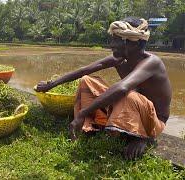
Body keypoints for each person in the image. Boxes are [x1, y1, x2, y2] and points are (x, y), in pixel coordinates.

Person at [35, 17, 171, 160]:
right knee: (87, 81)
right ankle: (95, 125)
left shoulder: (152, 62)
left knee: (125, 94)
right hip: (134, 106)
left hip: (153, 120)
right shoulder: (121, 58)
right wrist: (52, 84)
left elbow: (122, 88)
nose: (111, 45)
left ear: (130, 42)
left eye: (116, 40)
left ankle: (142, 136)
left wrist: (83, 112)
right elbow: (85, 70)